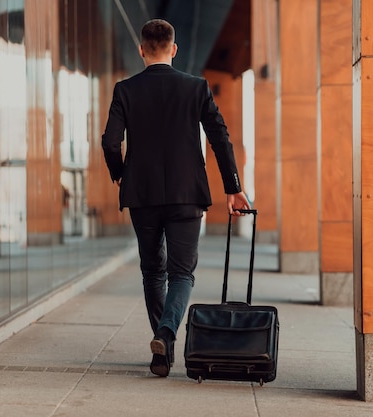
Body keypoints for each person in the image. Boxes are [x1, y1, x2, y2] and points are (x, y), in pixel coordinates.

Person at [101, 19, 251, 377]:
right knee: (182, 274)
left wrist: (119, 172)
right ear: (174, 49)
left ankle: (161, 346)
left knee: (153, 272)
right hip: (187, 194)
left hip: (142, 194)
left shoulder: (125, 89)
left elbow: (110, 141)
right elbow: (220, 137)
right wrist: (233, 186)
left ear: (141, 50)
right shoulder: (196, 87)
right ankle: (167, 336)